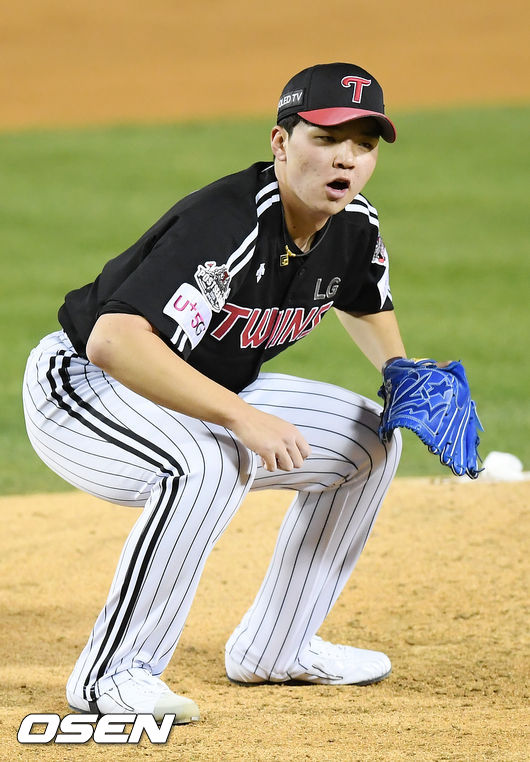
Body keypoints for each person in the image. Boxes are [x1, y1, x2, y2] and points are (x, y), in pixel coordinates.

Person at [22, 62, 407, 724]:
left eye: (364, 144)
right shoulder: (229, 224)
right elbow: (115, 341)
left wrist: (401, 371)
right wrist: (241, 417)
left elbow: (362, 297)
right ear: (281, 144)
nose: (347, 158)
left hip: (191, 391)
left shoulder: (352, 225)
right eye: (325, 138)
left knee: (369, 441)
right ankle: (113, 677)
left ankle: (277, 648)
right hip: (84, 388)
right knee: (207, 464)